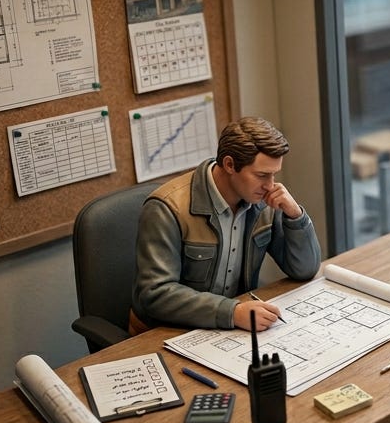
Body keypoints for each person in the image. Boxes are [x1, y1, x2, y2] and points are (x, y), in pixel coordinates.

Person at [132, 116, 322, 333]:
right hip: (167, 330)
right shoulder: (166, 208)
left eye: (273, 175)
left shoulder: (263, 201)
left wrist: (295, 215)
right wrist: (232, 312)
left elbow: (304, 270)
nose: (270, 186)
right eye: (262, 175)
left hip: (230, 326)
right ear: (230, 164)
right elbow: (156, 294)